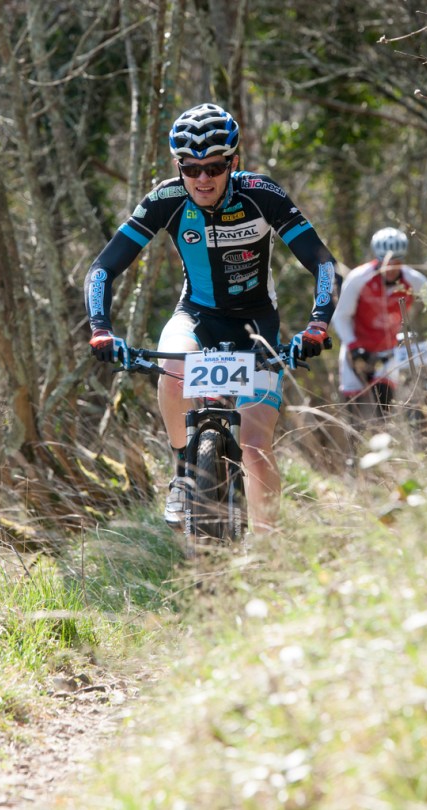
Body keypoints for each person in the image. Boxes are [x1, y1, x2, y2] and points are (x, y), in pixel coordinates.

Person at [85, 102, 340, 533]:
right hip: (197, 316)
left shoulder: (261, 194)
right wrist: (101, 329)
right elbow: (102, 269)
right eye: (191, 168)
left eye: (215, 167)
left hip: (256, 326)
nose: (203, 178)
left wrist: (317, 324)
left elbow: (323, 263)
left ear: (233, 163)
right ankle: (183, 473)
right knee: (172, 367)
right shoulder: (166, 199)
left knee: (255, 447)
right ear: (178, 167)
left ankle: (269, 548)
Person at [331, 226, 427, 418]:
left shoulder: (412, 278)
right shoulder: (359, 278)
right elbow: (341, 317)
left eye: (397, 262)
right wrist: (353, 347)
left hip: (387, 351)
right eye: (387, 263)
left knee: (384, 412)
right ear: (377, 259)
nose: (392, 268)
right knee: (355, 414)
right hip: (357, 349)